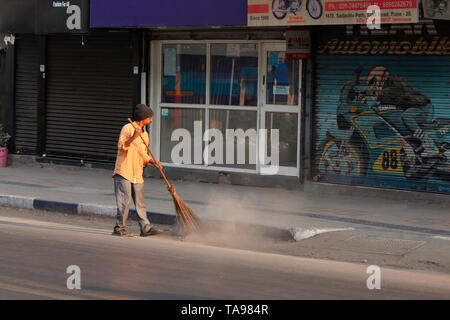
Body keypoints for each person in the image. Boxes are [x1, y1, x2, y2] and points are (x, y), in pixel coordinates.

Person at [112, 104, 164, 237]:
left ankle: (145, 228)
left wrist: (153, 162)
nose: (151, 120)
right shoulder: (128, 128)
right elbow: (121, 146)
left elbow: (143, 155)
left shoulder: (145, 134)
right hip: (124, 171)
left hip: (137, 173)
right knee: (125, 202)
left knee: (140, 203)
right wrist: (134, 136)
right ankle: (119, 228)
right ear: (143, 118)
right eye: (150, 117)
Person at [365, 66, 439, 157]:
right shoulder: (386, 86)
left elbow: (390, 93)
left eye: (373, 81)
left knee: (406, 116)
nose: (373, 84)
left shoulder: (394, 82)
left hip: (422, 107)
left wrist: (371, 93)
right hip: (412, 107)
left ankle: (430, 146)